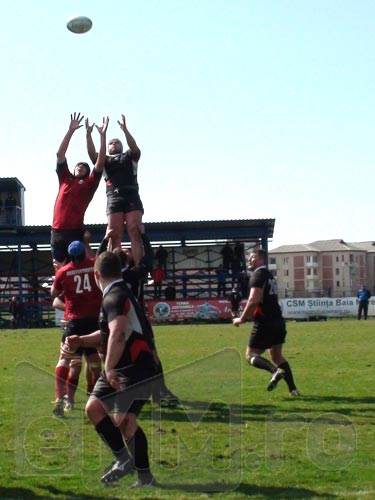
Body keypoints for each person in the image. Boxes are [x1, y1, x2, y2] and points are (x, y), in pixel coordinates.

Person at [66, 251, 157, 487]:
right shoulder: (116, 294)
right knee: (94, 408)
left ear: (96, 275)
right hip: (123, 365)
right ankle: (124, 460)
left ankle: (145, 477)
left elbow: (117, 334)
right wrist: (82, 340)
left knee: (124, 419)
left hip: (137, 367)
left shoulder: (115, 296)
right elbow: (109, 333)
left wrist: (108, 369)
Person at [233, 248, 299, 396]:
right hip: (278, 321)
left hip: (265, 322)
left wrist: (242, 318)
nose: (249, 260)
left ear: (261, 259)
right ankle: (293, 390)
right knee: (276, 356)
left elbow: (254, 299)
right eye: (249, 258)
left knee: (250, 355)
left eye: (252, 257)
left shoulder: (258, 275)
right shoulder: (270, 276)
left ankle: (275, 371)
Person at [51, 241, 103, 416]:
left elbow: (53, 294)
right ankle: (96, 398)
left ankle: (61, 398)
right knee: (95, 363)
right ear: (83, 254)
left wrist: (62, 272)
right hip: (93, 321)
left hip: (73, 322)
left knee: (66, 359)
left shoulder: (63, 272)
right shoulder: (93, 265)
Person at [86, 114, 144, 265]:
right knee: (114, 234)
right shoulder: (104, 160)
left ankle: (138, 268)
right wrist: (91, 135)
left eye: (116, 142)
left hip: (131, 195)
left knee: (135, 230)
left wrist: (125, 130)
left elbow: (135, 147)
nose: (113, 143)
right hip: (114, 197)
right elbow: (93, 154)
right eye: (111, 142)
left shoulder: (129, 156)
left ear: (121, 145)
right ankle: (115, 268)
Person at [51, 112, 108, 267]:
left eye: (83, 166)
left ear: (87, 172)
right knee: (59, 268)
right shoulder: (65, 178)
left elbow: (101, 161)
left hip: (75, 231)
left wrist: (102, 136)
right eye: (78, 165)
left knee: (78, 268)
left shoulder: (90, 183)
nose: (79, 166)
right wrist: (71, 130)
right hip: (57, 231)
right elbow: (59, 154)